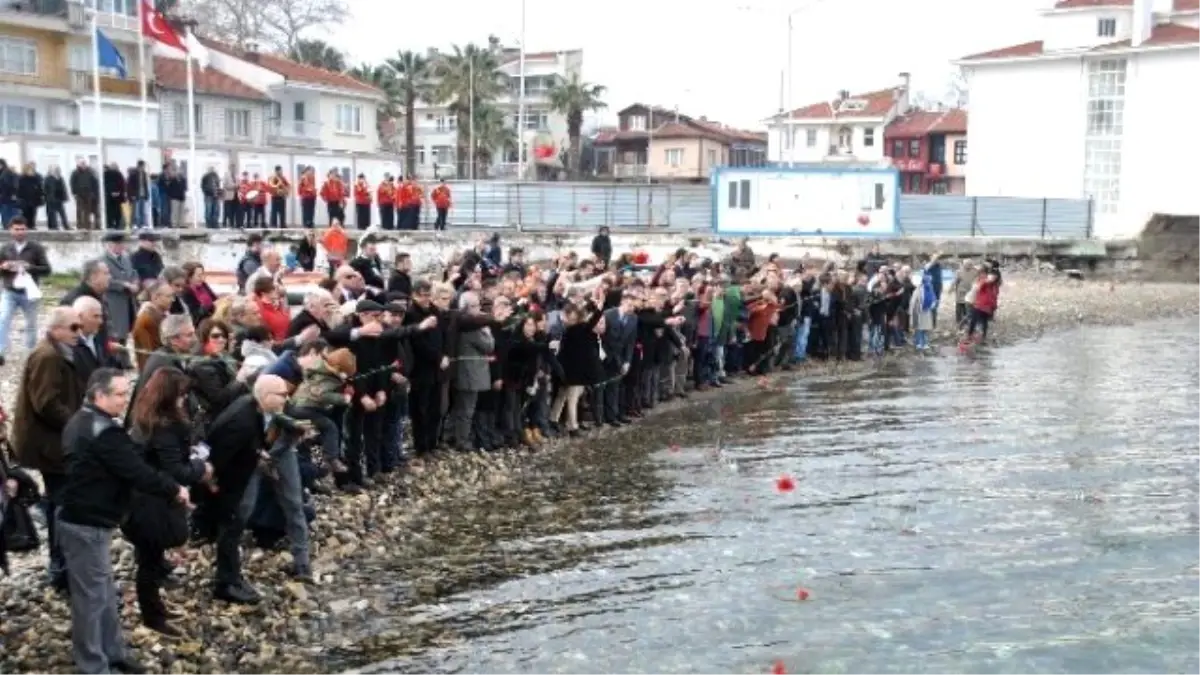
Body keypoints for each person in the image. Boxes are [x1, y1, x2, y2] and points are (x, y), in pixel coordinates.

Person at [58, 368, 190, 673]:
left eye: (126, 392)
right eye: (119, 394)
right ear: (98, 395)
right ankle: (94, 665)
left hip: (92, 521)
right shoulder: (104, 432)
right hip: (85, 523)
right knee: (91, 599)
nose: (124, 400)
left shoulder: (82, 421)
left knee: (103, 592)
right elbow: (137, 472)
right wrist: (174, 489)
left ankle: (114, 653)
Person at [123, 367, 212, 636]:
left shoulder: (144, 418)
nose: (184, 400)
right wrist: (201, 467)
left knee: (150, 557)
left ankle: (155, 608)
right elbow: (177, 471)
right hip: (153, 502)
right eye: (182, 395)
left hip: (140, 498)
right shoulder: (165, 427)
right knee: (149, 561)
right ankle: (152, 615)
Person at [11, 306, 86, 593]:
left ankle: (62, 565)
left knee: (59, 499)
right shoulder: (48, 356)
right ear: (56, 329)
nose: (78, 334)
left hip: (53, 441)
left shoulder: (58, 352)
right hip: (48, 444)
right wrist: (79, 423)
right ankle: (60, 569)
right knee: (62, 502)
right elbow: (47, 404)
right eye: (73, 328)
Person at [203, 375, 290, 604]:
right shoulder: (241, 420)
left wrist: (257, 451)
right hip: (231, 484)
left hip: (242, 473)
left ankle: (232, 576)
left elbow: (252, 439)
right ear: (265, 396)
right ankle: (225, 582)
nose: (286, 398)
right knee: (231, 529)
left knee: (235, 529)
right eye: (282, 394)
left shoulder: (252, 408)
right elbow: (218, 455)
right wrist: (211, 485)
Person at [0, 216, 52, 365]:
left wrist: (30, 268)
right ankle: (1, 351)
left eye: (23, 229)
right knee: (3, 320)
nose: (20, 232)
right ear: (10, 230)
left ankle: (30, 354)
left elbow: (47, 270)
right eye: (17, 229)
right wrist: (4, 267)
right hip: (10, 291)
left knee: (31, 324)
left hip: (29, 292)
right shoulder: (5, 248)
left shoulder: (35, 248)